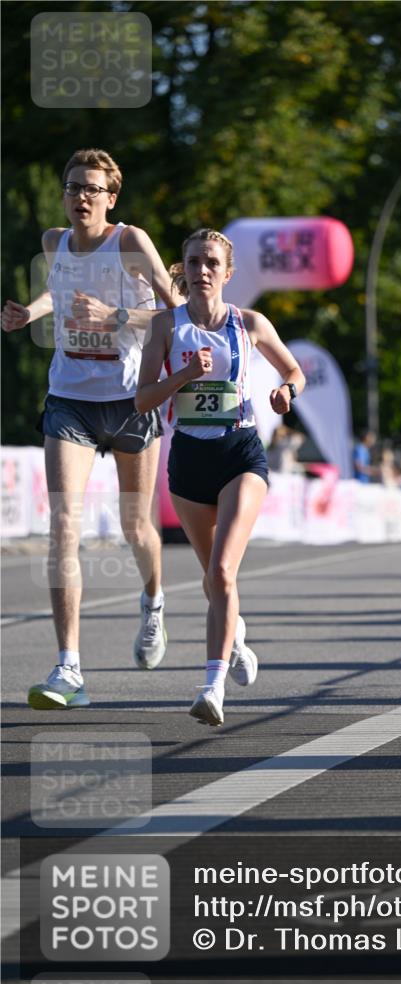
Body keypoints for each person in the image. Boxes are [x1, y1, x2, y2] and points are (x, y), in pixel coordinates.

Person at [1, 148, 180, 709]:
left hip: (130, 398)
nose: (81, 196)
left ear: (111, 197)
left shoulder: (130, 242)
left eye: (92, 189)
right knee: (64, 526)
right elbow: (60, 287)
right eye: (73, 186)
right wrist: (30, 313)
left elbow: (177, 309)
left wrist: (117, 317)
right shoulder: (55, 242)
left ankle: (153, 602)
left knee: (134, 525)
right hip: (70, 399)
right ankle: (68, 669)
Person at [135, 228, 305, 727]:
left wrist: (286, 394)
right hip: (187, 458)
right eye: (193, 262)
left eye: (211, 263)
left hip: (239, 455)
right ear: (183, 270)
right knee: (213, 580)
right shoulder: (166, 326)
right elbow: (143, 399)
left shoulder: (248, 323)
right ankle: (237, 634)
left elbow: (294, 371)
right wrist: (183, 376)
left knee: (223, 573)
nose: (202, 271)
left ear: (227, 273)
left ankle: (211, 687)